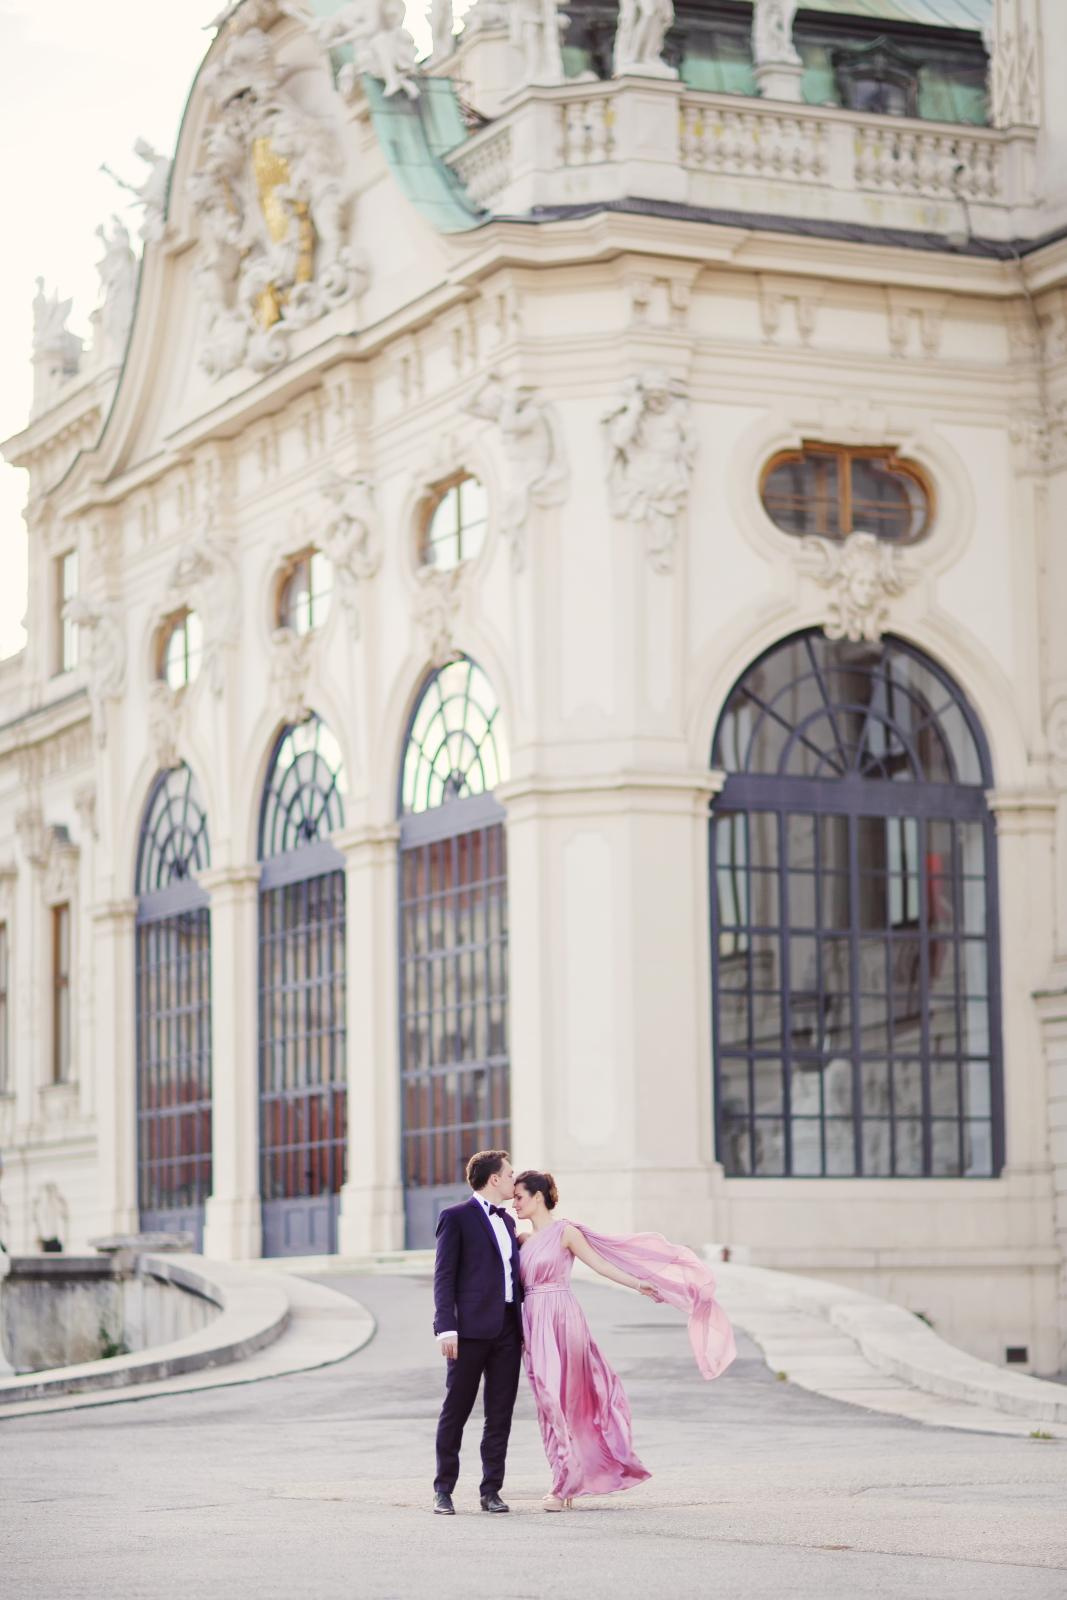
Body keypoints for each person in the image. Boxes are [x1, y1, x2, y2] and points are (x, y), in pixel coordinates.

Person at [512, 1168, 736, 1511]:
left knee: (569, 1399)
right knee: (547, 1399)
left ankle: (562, 1487)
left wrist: (637, 1283)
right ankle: (565, 1477)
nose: (515, 1203)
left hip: (563, 1315)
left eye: (519, 1196)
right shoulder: (522, 1240)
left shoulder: (565, 1232)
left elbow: (601, 1265)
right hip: (534, 1320)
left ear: (538, 1196)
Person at [431, 1150, 522, 1516]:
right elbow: (444, 1276)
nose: (515, 1181)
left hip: (508, 1329)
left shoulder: (509, 1223)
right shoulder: (455, 1218)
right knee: (456, 1410)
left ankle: (491, 1490)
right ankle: (443, 1491)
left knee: (500, 1413)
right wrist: (445, 1327)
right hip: (467, 1332)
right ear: (495, 1179)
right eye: (511, 1174)